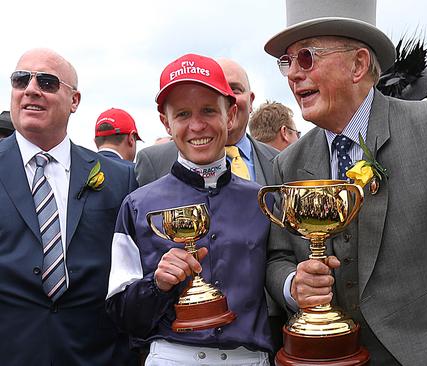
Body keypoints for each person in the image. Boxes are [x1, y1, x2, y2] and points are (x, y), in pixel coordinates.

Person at [263, 0, 427, 364]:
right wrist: (293, 285)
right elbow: (278, 258)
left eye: (306, 57)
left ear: (359, 64)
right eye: (287, 62)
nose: (293, 75)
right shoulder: (289, 163)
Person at [106, 53, 273, 365]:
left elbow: (280, 275)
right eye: (183, 114)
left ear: (231, 114)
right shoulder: (137, 205)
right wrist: (157, 284)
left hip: (248, 358)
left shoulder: (261, 200)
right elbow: (121, 315)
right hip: (172, 356)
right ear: (165, 123)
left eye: (209, 110)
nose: (197, 126)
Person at [0, 48, 138, 365]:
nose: (31, 89)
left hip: (96, 355)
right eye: (21, 80)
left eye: (47, 82)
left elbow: (131, 278)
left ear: (74, 100)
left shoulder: (120, 179)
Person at [134, 58, 278, 187]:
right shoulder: (153, 162)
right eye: (183, 114)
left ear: (250, 101)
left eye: (234, 90)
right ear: (166, 122)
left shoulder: (280, 161)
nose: (227, 98)